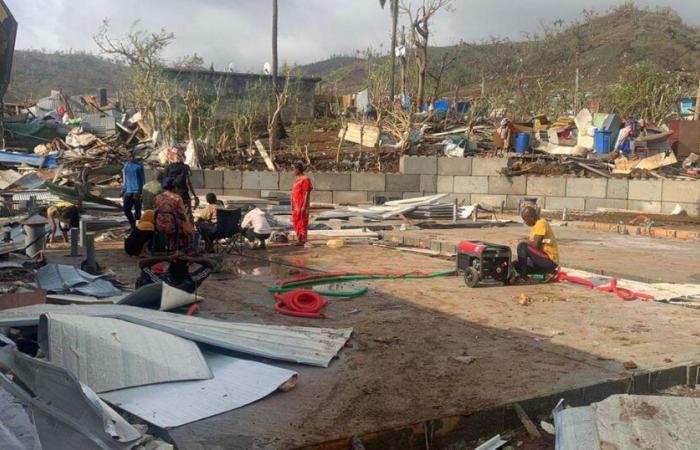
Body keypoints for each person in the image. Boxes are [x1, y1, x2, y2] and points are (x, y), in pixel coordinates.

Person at [516, 205, 559, 281]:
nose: (525, 223)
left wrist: (524, 244)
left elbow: (535, 245)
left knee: (522, 246)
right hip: (541, 258)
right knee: (516, 265)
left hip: (549, 260)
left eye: (526, 220)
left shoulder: (541, 223)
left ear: (532, 217)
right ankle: (545, 273)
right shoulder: (535, 226)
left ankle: (523, 276)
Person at [136, 253, 214, 294]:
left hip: (156, 289)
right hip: (182, 290)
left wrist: (167, 258)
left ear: (169, 268)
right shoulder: (192, 281)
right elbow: (210, 266)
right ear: (187, 268)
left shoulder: (158, 280)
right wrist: (193, 259)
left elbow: (142, 264)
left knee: (142, 279)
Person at [153, 177, 194, 251]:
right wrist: (186, 219)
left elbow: (155, 210)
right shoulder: (177, 198)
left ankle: (172, 246)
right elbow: (182, 214)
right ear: (174, 187)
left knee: (177, 222)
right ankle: (188, 249)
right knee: (189, 228)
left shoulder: (157, 197)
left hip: (158, 226)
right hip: (172, 226)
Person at [165, 146, 198, 220]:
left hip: (172, 196)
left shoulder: (168, 168)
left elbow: (165, 183)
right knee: (187, 215)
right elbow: (188, 183)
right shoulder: (186, 167)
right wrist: (194, 195)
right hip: (184, 195)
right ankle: (189, 229)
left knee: (174, 214)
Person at [291, 161, 313, 246]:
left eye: (293, 169)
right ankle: (299, 239)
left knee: (302, 222)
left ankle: (304, 240)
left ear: (298, 169)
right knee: (296, 222)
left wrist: (304, 206)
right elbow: (293, 193)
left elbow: (307, 193)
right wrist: (292, 204)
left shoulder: (305, 179)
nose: (293, 171)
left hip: (301, 205)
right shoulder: (297, 180)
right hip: (296, 206)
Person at [122, 149, 145, 229]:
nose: (131, 158)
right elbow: (125, 179)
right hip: (128, 191)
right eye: (129, 156)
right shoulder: (126, 166)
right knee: (126, 210)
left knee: (137, 211)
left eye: (132, 156)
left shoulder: (139, 165)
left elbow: (142, 179)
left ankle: (137, 225)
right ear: (127, 157)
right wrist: (123, 190)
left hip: (136, 191)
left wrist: (141, 191)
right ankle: (132, 224)